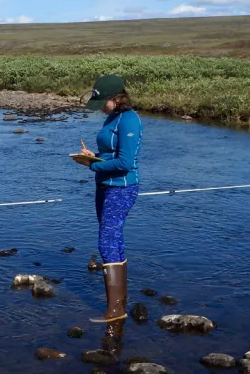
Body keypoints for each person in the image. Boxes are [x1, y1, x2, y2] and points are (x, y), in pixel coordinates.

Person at [74, 74, 142, 323]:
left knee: (106, 243)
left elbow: (125, 162)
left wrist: (93, 166)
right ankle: (120, 303)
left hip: (121, 188)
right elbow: (110, 152)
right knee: (114, 239)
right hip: (104, 185)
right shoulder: (113, 117)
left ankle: (115, 310)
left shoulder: (129, 121)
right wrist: (94, 157)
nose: (101, 107)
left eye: (104, 102)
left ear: (117, 98)